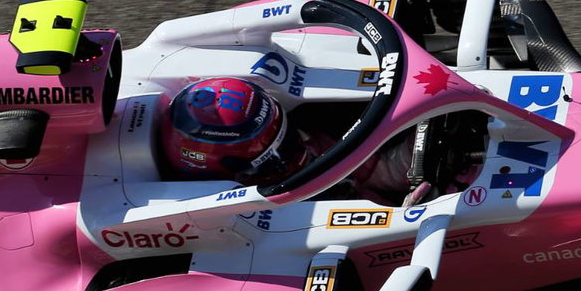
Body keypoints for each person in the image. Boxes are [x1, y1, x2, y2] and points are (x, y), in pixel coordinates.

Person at [160, 76, 415, 204]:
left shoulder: (305, 141)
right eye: (277, 153)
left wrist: (415, 154)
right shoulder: (255, 216)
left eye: (287, 135)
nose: (297, 149)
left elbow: (371, 170)